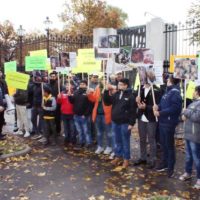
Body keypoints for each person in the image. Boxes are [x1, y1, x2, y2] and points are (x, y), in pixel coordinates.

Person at [103, 78, 137, 168]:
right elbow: (107, 102)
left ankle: (126, 159)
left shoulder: (131, 96)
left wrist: (131, 123)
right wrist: (106, 90)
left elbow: (133, 111)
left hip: (125, 123)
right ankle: (118, 156)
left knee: (125, 141)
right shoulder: (117, 94)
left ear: (126, 85)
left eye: (121, 84)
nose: (119, 86)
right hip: (115, 122)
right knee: (117, 140)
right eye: (119, 84)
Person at [153, 75, 182, 177]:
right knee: (164, 144)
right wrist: (158, 106)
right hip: (162, 122)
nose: (166, 80)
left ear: (171, 81)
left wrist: (161, 113)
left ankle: (171, 167)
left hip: (169, 123)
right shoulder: (168, 91)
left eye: (168, 79)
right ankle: (164, 163)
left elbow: (175, 109)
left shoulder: (176, 93)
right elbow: (163, 104)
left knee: (169, 146)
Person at [134, 83, 161, 169]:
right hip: (141, 117)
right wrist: (137, 101)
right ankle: (143, 157)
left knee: (151, 139)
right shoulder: (140, 89)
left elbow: (158, 106)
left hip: (151, 118)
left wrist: (146, 107)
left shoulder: (156, 90)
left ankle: (152, 159)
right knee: (142, 138)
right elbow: (136, 104)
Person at [179, 86, 200, 190]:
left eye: (194, 91)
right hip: (188, 134)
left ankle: (199, 179)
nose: (192, 92)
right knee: (188, 156)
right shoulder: (192, 103)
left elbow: (197, 117)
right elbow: (186, 114)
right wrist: (184, 114)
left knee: (197, 158)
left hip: (195, 135)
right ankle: (188, 172)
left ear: (197, 92)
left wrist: (186, 112)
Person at [88, 79, 112, 155]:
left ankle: (109, 147)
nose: (103, 82)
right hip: (98, 114)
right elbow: (93, 99)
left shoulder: (110, 90)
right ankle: (100, 146)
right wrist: (89, 94)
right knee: (99, 132)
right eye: (102, 80)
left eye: (105, 80)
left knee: (108, 132)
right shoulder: (98, 89)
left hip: (106, 114)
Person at [68, 80, 92, 148]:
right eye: (81, 84)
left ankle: (88, 142)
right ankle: (81, 142)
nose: (82, 85)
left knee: (86, 130)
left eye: (83, 84)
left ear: (86, 85)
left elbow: (90, 105)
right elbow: (72, 101)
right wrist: (69, 96)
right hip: (76, 115)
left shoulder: (88, 92)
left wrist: (85, 114)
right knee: (79, 130)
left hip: (84, 116)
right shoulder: (76, 92)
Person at [57, 82, 76, 146]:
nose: (68, 86)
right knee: (66, 128)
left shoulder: (74, 93)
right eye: (67, 85)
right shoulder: (62, 93)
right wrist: (58, 98)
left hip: (72, 114)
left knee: (72, 128)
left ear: (72, 86)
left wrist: (71, 95)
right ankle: (66, 140)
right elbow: (59, 102)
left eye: (69, 85)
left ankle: (72, 140)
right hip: (64, 113)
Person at [28, 75, 43, 140]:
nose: (38, 79)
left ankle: (39, 133)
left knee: (41, 120)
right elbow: (29, 93)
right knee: (32, 119)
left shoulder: (43, 86)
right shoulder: (33, 86)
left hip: (41, 106)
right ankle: (37, 132)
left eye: (39, 78)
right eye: (36, 78)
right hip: (34, 105)